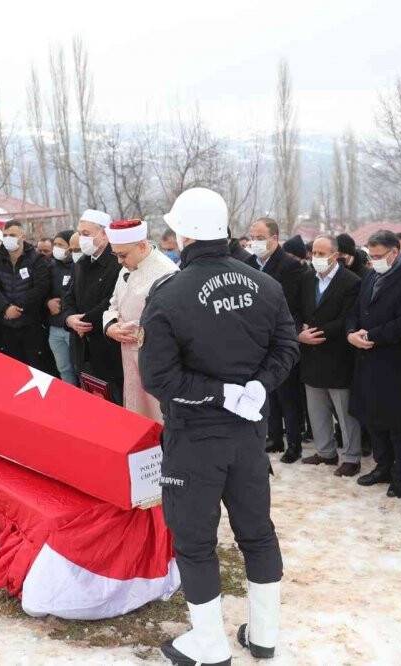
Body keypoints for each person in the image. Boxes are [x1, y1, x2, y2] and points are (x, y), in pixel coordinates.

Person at [139, 188, 298, 665]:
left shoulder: (169, 293)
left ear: (183, 233)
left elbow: (158, 378)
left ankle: (209, 644)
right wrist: (257, 386)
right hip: (249, 435)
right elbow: (287, 347)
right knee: (258, 534)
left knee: (194, 541)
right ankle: (265, 635)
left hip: (195, 440)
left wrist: (218, 392)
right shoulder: (265, 285)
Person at [347, 229, 401, 499]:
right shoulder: (370, 275)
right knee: (373, 417)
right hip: (366, 357)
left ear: (395, 252)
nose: (374, 260)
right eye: (371, 255)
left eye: (379, 256)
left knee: (397, 422)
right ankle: (382, 466)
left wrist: (370, 336)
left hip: (394, 362)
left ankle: (400, 474)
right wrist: (351, 333)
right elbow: (356, 310)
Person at [296, 235, 362, 476]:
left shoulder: (350, 281)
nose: (317, 258)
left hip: (337, 354)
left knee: (344, 411)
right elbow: (295, 310)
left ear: (335, 255)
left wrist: (317, 332)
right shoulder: (306, 279)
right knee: (316, 408)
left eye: (322, 254)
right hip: (310, 352)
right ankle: (326, 452)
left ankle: (352, 456)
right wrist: (299, 333)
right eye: (314, 253)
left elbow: (347, 318)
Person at [102, 219, 178, 420]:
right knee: (136, 418)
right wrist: (110, 326)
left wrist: (138, 331)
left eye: (122, 255)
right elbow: (113, 305)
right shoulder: (126, 267)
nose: (119, 261)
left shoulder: (167, 272)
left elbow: (175, 323)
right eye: (116, 255)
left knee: (159, 419)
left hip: (156, 361)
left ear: (142, 245)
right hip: (129, 358)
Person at [246, 217, 306, 462]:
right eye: (253, 238)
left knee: (288, 394)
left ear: (274, 238)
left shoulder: (291, 266)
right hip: (256, 338)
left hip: (281, 337)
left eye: (261, 238)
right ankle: (274, 436)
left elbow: (296, 305)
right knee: (266, 391)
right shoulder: (248, 263)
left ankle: (294, 443)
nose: (256, 243)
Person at [61, 209, 123, 403]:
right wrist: (69, 319)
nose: (81, 238)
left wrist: (83, 322)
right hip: (82, 349)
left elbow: (111, 301)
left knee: (116, 402)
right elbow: (68, 298)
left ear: (104, 234)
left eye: (86, 234)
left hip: (108, 348)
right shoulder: (81, 263)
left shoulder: (118, 262)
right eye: (80, 233)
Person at [0, 221, 53, 372]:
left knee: (35, 369)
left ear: (22, 236)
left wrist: (18, 307)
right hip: (5, 325)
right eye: (5, 235)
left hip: (30, 324)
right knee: (10, 370)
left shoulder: (36, 259)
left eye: (12, 235)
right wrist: (5, 308)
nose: (8, 238)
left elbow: (41, 288)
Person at [47, 230, 77, 385]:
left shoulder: (78, 266)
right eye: (55, 244)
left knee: (79, 368)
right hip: (55, 327)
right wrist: (48, 302)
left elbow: (75, 295)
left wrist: (62, 305)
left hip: (72, 327)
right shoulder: (51, 267)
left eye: (61, 245)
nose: (56, 248)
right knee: (64, 368)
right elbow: (42, 290)